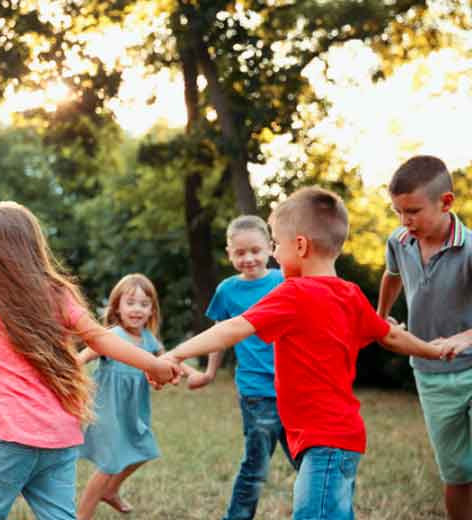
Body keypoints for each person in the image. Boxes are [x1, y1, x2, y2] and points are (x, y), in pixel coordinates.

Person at [161, 187, 453, 520]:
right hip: (341, 438)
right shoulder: (351, 294)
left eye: (276, 244)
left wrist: (177, 353)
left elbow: (232, 328)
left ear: (300, 245)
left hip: (324, 441)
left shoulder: (293, 293)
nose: (274, 255)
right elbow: (392, 337)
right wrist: (433, 350)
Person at [0, 201, 180, 520]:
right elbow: (101, 338)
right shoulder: (57, 295)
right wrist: (153, 363)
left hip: (11, 438)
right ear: (33, 248)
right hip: (61, 436)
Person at [376, 155, 472, 520]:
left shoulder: (470, 249)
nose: (404, 221)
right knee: (456, 472)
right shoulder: (400, 241)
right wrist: (380, 318)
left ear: (446, 202)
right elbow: (392, 275)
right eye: (398, 212)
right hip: (430, 376)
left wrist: (465, 337)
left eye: (413, 211)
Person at [187, 215, 292, 520]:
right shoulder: (227, 291)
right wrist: (208, 373)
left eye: (256, 251)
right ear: (229, 253)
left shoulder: (286, 281)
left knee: (308, 462)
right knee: (256, 467)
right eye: (240, 253)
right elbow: (219, 335)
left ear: (271, 248)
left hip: (296, 388)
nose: (249, 259)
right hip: (257, 392)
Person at [77, 273, 198, 519]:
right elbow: (83, 357)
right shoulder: (111, 337)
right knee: (109, 464)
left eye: (144, 304)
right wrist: (69, 372)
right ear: (117, 307)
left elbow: (170, 359)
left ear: (152, 309)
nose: (137, 309)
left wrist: (193, 373)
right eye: (130, 303)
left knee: (145, 449)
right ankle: (82, 516)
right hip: (108, 409)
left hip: (133, 411)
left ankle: (111, 491)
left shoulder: (148, 340)